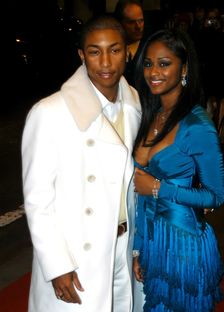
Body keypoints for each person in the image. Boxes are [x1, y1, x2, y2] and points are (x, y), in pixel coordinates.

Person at [21, 15, 141, 312]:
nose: (105, 62)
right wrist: (56, 264)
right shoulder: (50, 112)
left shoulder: (134, 103)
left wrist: (139, 247)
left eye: (114, 50)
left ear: (127, 51)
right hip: (77, 255)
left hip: (122, 246)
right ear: (81, 55)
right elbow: (38, 199)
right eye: (94, 51)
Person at [132, 29, 224, 311]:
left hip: (184, 246)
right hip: (153, 240)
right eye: (148, 64)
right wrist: (138, 248)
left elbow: (215, 196)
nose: (153, 72)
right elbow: (140, 195)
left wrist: (160, 188)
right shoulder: (150, 113)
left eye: (164, 63)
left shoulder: (197, 126)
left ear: (183, 68)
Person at [114, 0, 145, 86]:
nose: (138, 26)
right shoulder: (112, 49)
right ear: (120, 23)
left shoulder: (150, 47)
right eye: (131, 22)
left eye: (141, 21)